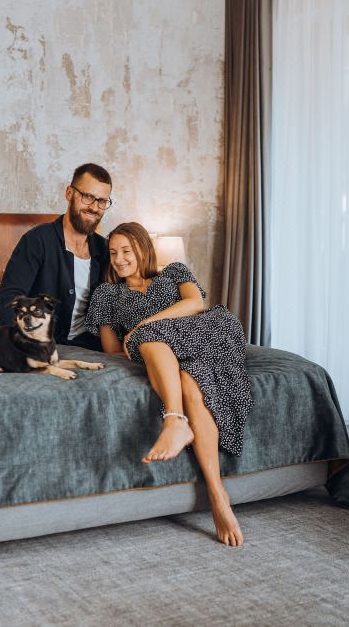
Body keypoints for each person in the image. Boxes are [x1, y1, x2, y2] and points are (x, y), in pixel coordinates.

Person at [85, 222, 252, 547]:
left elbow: (195, 304)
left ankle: (174, 420)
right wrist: (145, 346)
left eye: (126, 250)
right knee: (191, 385)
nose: (119, 259)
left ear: (143, 248)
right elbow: (113, 351)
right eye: (113, 253)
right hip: (169, 355)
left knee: (147, 336)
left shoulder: (173, 271)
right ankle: (218, 495)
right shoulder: (107, 294)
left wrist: (143, 327)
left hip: (208, 331)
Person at [0, 163, 113, 351]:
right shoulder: (37, 240)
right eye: (88, 196)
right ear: (69, 193)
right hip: (40, 345)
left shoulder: (105, 249)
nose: (94, 207)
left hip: (91, 349)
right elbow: (8, 301)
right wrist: (26, 347)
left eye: (102, 201)